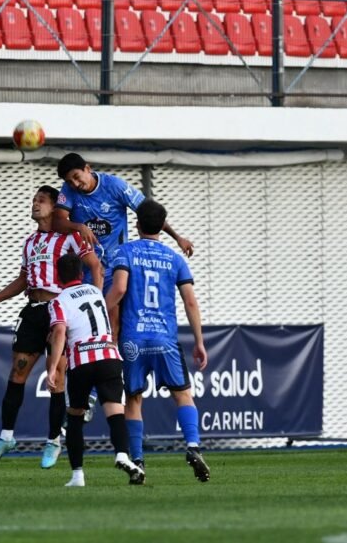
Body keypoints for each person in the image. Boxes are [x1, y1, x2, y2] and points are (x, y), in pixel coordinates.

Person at [0, 186, 103, 468]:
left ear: (55, 207)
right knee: (17, 373)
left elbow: (95, 266)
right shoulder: (30, 241)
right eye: (33, 200)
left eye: (41, 201)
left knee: (55, 379)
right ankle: (6, 437)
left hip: (60, 311)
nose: (35, 204)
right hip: (32, 311)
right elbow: (23, 279)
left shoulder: (70, 237)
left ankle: (53, 441)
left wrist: (96, 299)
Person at [104, 199, 210, 483]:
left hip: (133, 339)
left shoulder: (124, 252)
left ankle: (137, 461)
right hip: (165, 337)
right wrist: (199, 341)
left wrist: (98, 314)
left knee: (134, 399)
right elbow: (190, 302)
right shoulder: (174, 259)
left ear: (137, 224)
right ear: (162, 227)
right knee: (182, 395)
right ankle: (193, 446)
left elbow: (120, 289)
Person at [45, 253, 144, 487]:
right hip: (109, 356)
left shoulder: (58, 301)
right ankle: (122, 454)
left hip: (82, 361)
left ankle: (77, 475)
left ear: (58, 276)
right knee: (115, 413)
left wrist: (52, 368)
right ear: (81, 274)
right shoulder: (95, 291)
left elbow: (59, 332)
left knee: (75, 418)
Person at [51, 152, 193, 294]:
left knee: (114, 312)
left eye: (76, 177)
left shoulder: (115, 186)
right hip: (85, 269)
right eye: (69, 181)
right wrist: (79, 227)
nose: (75, 184)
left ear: (87, 169)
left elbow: (150, 212)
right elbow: (57, 221)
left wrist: (177, 237)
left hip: (115, 267)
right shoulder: (68, 190)